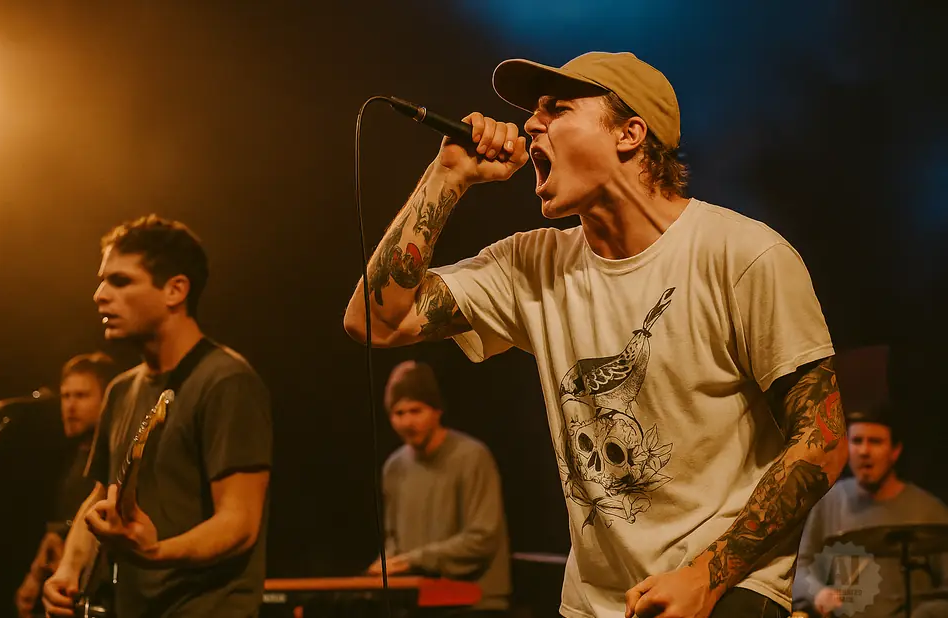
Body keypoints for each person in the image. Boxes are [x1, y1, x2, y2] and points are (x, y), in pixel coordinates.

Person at [344, 51, 848, 618]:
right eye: (533, 114)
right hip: (593, 604)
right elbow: (375, 321)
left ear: (630, 134)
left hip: (726, 592)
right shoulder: (532, 265)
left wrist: (705, 577)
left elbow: (823, 440)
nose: (531, 125)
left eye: (555, 109)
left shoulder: (743, 255)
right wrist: (449, 176)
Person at [42, 214, 273, 618]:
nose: (99, 294)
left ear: (175, 290)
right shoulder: (120, 390)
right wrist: (68, 570)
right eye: (102, 280)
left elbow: (240, 522)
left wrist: (154, 552)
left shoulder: (227, 381)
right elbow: (98, 501)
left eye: (120, 281)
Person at [366, 360, 511, 616]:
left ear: (437, 410)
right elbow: (392, 539)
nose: (408, 422)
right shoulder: (394, 467)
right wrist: (385, 565)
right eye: (399, 413)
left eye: (416, 410)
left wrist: (410, 560)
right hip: (419, 602)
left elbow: (483, 537)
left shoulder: (471, 456)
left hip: (474, 603)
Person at [793, 403, 948, 618]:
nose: (864, 451)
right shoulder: (829, 503)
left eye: (875, 442)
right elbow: (801, 568)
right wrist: (818, 593)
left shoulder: (930, 511)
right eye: (857, 441)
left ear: (895, 451)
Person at [14, 351, 117, 618]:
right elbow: (62, 526)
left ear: (108, 399)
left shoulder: (111, 462)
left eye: (81, 396)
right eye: (66, 396)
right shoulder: (75, 460)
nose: (69, 407)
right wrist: (35, 576)